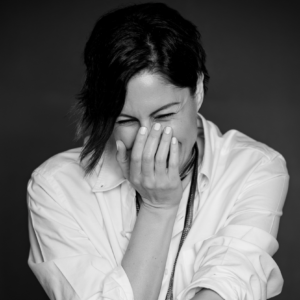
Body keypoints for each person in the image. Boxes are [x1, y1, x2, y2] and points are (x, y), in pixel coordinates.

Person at [27, 3, 289, 300]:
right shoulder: (55, 187)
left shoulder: (255, 167)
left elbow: (230, 283)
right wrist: (158, 207)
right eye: (125, 121)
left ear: (198, 90)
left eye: (164, 116)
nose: (148, 136)